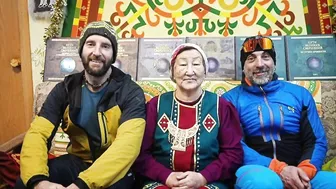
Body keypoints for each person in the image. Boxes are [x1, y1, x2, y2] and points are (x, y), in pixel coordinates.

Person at [15, 21, 146, 189]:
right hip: (77, 162)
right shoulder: (65, 89)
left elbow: (127, 147)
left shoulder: (130, 91)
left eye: (105, 46)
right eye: (90, 44)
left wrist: (81, 185)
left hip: (116, 169)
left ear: (113, 55)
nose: (97, 52)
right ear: (82, 50)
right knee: (24, 184)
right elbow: (38, 134)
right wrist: (39, 182)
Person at [222, 35, 336, 189]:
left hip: (300, 170)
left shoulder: (300, 94)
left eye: (266, 57)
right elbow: (233, 145)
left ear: (274, 62)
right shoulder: (229, 100)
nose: (260, 64)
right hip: (256, 171)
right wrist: (280, 169)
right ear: (243, 66)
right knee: (264, 183)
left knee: (331, 182)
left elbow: (316, 140)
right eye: (251, 59)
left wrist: (304, 172)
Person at [133, 43, 243, 189]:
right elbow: (140, 154)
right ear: (172, 72)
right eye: (183, 64)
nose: (189, 71)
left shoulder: (221, 107)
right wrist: (166, 176)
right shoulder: (155, 106)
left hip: (209, 182)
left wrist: (203, 177)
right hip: (160, 181)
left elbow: (233, 154)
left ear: (205, 71)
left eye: (196, 64)